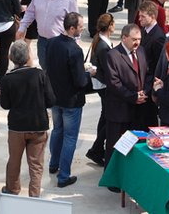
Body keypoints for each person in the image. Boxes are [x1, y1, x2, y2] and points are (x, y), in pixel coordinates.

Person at [0, 40, 55, 197]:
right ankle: (34, 194)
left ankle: (12, 189)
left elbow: (5, 105)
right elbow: (51, 101)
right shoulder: (40, 75)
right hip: (38, 125)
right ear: (28, 56)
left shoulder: (7, 79)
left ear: (11, 57)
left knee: (14, 161)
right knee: (36, 165)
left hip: (17, 127)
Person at [104, 24, 157, 170]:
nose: (137, 42)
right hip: (119, 110)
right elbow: (114, 83)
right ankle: (112, 177)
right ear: (124, 38)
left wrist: (144, 92)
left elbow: (148, 74)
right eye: (134, 39)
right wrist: (133, 96)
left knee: (134, 145)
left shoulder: (141, 51)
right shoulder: (113, 55)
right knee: (115, 145)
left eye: (139, 39)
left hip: (138, 110)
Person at [46, 12, 90, 188]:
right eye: (80, 27)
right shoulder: (74, 50)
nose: (82, 29)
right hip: (71, 101)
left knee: (57, 131)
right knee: (70, 137)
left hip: (55, 97)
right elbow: (80, 81)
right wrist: (88, 74)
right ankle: (64, 175)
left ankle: (53, 164)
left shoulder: (51, 43)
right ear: (72, 28)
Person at [16, 0, 78, 71]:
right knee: (44, 65)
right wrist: (22, 27)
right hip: (42, 41)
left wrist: (75, 42)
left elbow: (76, 21)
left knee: (58, 69)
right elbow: (30, 13)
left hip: (60, 42)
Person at [85, 13, 114, 167]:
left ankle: (96, 148)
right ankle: (96, 149)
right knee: (107, 118)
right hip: (103, 85)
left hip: (101, 84)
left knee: (105, 117)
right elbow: (106, 69)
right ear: (110, 26)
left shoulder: (100, 41)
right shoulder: (103, 45)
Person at [138, 0, 166, 70]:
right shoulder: (143, 29)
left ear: (152, 16)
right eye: (139, 16)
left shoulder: (159, 37)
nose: (139, 19)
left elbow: (159, 64)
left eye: (143, 16)